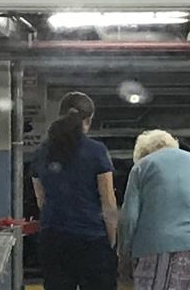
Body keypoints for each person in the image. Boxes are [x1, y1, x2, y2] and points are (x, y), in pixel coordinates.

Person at [31, 92, 118, 290]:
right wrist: (111, 240)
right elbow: (108, 200)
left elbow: (41, 199)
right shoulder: (96, 151)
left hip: (53, 238)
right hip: (91, 238)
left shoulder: (41, 152)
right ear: (88, 120)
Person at [119, 130, 190, 290]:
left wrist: (124, 256)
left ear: (142, 153)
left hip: (150, 248)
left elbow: (129, 218)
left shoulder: (142, 167)